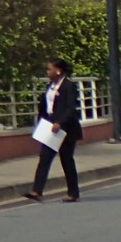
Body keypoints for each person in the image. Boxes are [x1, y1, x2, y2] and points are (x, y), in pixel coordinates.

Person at [23, 57, 84, 203]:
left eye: (49, 69)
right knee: (44, 158)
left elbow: (71, 107)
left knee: (66, 160)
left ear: (58, 71)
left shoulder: (68, 86)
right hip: (50, 127)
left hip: (66, 129)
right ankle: (37, 191)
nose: (47, 72)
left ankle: (73, 193)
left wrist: (60, 122)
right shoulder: (51, 85)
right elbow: (46, 106)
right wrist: (42, 123)